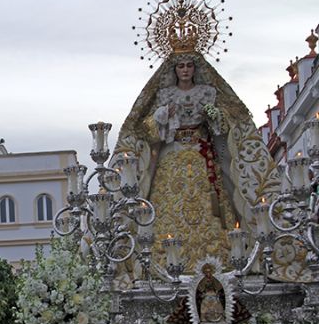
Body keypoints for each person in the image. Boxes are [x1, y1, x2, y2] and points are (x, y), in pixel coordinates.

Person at [111, 50, 280, 280]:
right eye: (180, 66)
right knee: (171, 203)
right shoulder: (164, 95)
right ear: (174, 70)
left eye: (189, 65)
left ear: (195, 68)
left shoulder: (208, 93)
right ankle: (165, 262)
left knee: (211, 206)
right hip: (172, 158)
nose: (185, 70)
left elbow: (227, 124)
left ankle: (225, 259)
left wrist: (214, 116)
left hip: (203, 158)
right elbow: (145, 129)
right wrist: (161, 116)